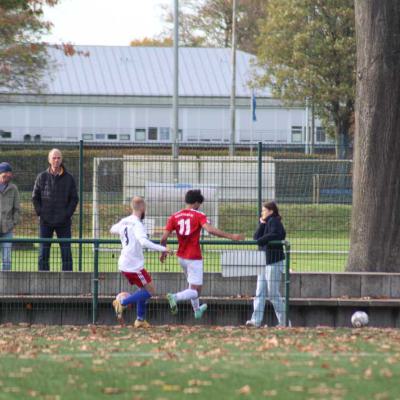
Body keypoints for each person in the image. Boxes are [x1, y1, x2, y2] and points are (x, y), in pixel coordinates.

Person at [160, 189, 245, 320]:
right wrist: (232, 236)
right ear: (195, 203)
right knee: (196, 291)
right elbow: (210, 230)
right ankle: (175, 297)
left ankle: (197, 310)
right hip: (194, 258)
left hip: (181, 257)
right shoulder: (199, 215)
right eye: (199, 204)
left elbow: (163, 237)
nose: (199, 206)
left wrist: (163, 251)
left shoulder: (174, 216)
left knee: (191, 285)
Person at [111, 196, 173, 327]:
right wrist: (164, 249)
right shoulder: (138, 224)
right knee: (150, 291)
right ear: (143, 208)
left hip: (125, 263)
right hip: (133, 265)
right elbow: (144, 242)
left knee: (142, 289)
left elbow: (112, 229)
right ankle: (122, 303)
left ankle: (140, 319)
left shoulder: (125, 221)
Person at [32, 149, 78, 271]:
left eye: (58, 158)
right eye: (54, 158)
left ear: (61, 159)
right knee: (43, 253)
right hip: (45, 222)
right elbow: (35, 197)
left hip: (63, 222)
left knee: (66, 253)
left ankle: (68, 280)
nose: (56, 160)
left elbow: (74, 199)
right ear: (49, 160)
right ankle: (43, 280)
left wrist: (67, 214)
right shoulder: (41, 177)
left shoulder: (69, 178)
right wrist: (40, 213)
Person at [246, 201, 288, 328]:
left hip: (273, 262)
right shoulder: (266, 222)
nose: (262, 212)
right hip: (263, 261)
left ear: (271, 211)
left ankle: (284, 322)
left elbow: (278, 234)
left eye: (264, 210)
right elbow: (256, 237)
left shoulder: (274, 221)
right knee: (260, 292)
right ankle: (255, 321)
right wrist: (261, 224)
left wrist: (262, 240)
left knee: (273, 293)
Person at [0, 162, 21, 271]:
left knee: (7, 258)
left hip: (7, 228)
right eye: (5, 173)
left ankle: (6, 285)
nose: (7, 175)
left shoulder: (14, 189)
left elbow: (17, 209)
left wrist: (13, 222)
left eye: (9, 173)